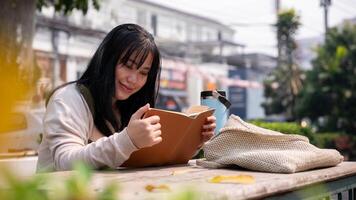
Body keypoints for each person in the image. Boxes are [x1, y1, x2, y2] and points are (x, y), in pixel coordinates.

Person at [36, 24, 216, 172]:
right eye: (128, 66)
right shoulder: (68, 99)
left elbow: (153, 160)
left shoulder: (126, 107)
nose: (134, 79)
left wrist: (193, 141)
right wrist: (127, 140)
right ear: (107, 59)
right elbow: (65, 163)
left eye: (143, 72)